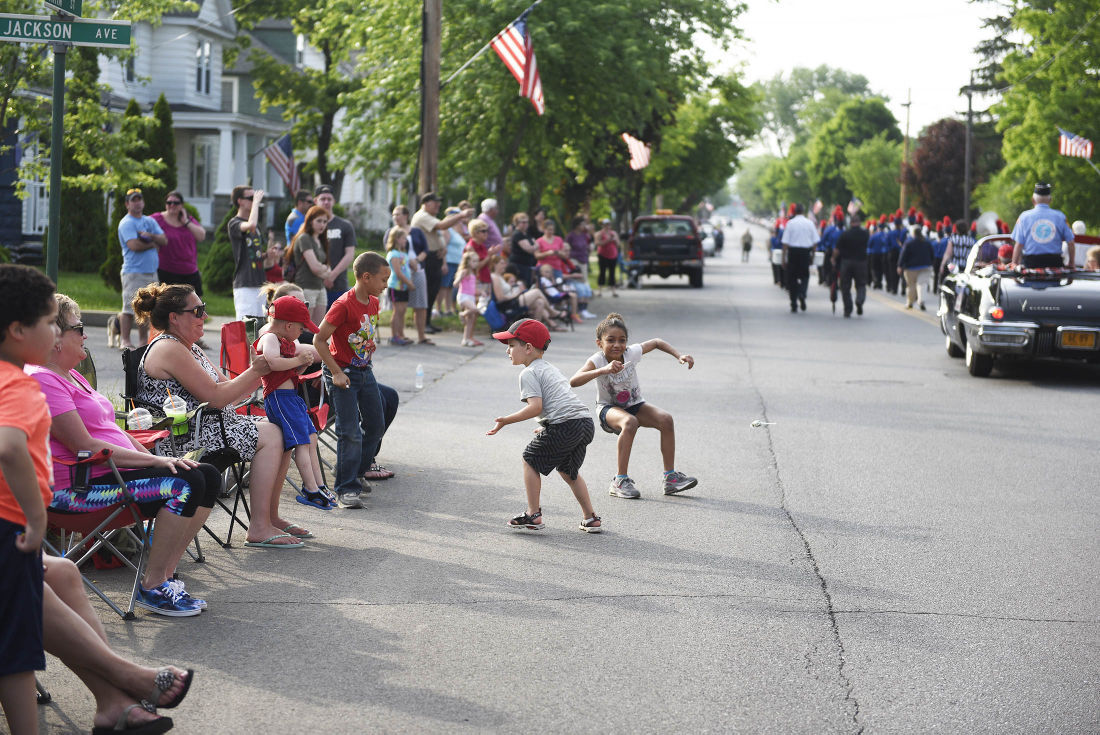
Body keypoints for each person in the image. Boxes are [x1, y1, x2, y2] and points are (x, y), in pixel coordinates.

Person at [28, 294, 219, 614]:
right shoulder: (43, 380)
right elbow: (85, 446)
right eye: (79, 327)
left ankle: (165, 576)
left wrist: (155, 455)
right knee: (182, 483)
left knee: (207, 475)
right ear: (55, 337)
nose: (85, 334)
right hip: (76, 491)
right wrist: (158, 461)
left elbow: (111, 433)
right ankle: (152, 585)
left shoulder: (70, 374)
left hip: (109, 473)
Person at [134, 284, 307, 549]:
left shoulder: (190, 347)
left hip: (212, 425)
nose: (205, 317)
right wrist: (256, 371)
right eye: (198, 311)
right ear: (174, 317)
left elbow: (230, 392)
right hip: (184, 437)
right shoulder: (169, 348)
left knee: (281, 427)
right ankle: (259, 526)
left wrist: (269, 372)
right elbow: (216, 397)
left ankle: (270, 517)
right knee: (273, 433)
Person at [0, 264, 57, 735]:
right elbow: (10, 446)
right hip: (11, 529)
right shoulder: (18, 385)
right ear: (19, 330)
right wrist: (37, 520)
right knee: (15, 653)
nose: (57, 331)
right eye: (52, 322)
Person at [486, 318, 602, 533]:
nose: (507, 351)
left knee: (530, 459)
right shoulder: (550, 368)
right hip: (584, 424)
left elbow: (535, 407)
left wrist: (505, 421)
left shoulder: (528, 373)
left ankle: (533, 514)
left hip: (566, 425)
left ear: (528, 347)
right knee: (569, 472)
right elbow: (559, 401)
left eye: (511, 345)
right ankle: (590, 517)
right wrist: (549, 426)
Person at [569, 312, 697, 500]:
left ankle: (670, 478)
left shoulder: (631, 353)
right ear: (599, 343)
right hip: (608, 409)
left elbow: (656, 342)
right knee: (630, 422)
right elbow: (574, 381)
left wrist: (679, 355)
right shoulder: (597, 360)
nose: (617, 345)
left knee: (666, 419)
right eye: (610, 340)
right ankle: (620, 481)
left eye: (622, 340)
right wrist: (603, 370)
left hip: (635, 404)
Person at [314, 252, 396, 508]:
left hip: (364, 369)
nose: (386, 285)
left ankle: (357, 473)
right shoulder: (342, 305)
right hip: (343, 373)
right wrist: (336, 372)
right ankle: (346, 489)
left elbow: (361, 334)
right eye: (383, 280)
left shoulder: (372, 302)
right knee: (349, 431)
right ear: (366, 277)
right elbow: (319, 340)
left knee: (375, 425)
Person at [254, 296, 332, 514]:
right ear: (288, 325)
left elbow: (286, 372)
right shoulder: (269, 338)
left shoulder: (286, 340)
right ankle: (310, 489)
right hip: (279, 400)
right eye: (300, 328)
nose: (301, 333)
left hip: (291, 398)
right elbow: (271, 362)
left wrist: (300, 366)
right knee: (300, 443)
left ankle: (318, 485)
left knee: (310, 438)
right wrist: (298, 360)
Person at [411, 192, 475, 333]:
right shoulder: (422, 216)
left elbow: (439, 234)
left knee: (432, 291)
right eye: (435, 202)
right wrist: (461, 215)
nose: (438, 205)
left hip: (434, 257)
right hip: (425, 259)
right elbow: (442, 226)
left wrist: (443, 249)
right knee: (426, 292)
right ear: (426, 203)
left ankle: (427, 322)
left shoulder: (430, 217)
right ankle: (422, 325)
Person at [118, 188, 167, 349]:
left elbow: (164, 240)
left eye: (139, 199)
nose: (137, 203)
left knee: (148, 308)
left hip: (152, 272)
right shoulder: (127, 223)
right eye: (133, 200)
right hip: (133, 272)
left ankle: (142, 341)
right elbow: (133, 245)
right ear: (127, 204)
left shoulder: (149, 221)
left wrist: (151, 236)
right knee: (128, 307)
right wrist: (153, 244)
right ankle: (124, 339)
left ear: (143, 202)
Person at [286, 204, 335, 328]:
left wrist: (323, 269)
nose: (322, 224)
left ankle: (313, 349)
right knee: (305, 328)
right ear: (310, 221)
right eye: (319, 221)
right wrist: (323, 269)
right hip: (306, 288)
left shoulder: (321, 240)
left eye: (325, 221)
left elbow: (327, 268)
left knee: (317, 329)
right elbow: (315, 267)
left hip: (320, 288)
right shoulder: (304, 238)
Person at [152, 190, 207, 299]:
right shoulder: (157, 219)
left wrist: (186, 221)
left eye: (176, 203)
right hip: (167, 270)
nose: (172, 205)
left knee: (196, 304)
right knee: (168, 304)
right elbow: (141, 228)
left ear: (181, 205)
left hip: (190, 270)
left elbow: (201, 236)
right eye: (169, 202)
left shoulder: (188, 219)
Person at [227, 185, 269, 320]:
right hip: (245, 283)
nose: (254, 200)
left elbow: (256, 255)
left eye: (255, 198)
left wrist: (268, 255)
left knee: (261, 326)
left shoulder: (256, 226)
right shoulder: (234, 223)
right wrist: (256, 203)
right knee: (247, 326)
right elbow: (250, 225)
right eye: (251, 198)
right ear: (240, 201)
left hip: (260, 283)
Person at [1011, 182, 1075, 268]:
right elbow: (1070, 243)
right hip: (1055, 265)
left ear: (1033, 200)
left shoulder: (1023, 217)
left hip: (1030, 264)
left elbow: (1019, 244)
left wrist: (1014, 263)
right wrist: (1071, 264)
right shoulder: (1060, 216)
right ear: (1050, 200)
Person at [314, 185, 358, 309]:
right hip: (314, 285)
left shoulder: (345, 225)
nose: (326, 202)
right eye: (323, 199)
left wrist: (332, 276)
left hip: (337, 285)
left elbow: (350, 255)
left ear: (334, 201)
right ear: (315, 201)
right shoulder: (309, 226)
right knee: (314, 326)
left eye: (329, 199)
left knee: (337, 326)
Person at [490, 259, 564, 329]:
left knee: (540, 302)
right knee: (537, 291)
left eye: (505, 263)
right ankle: (552, 312)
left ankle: (535, 329)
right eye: (502, 263)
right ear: (495, 264)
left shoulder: (501, 276)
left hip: (513, 300)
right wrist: (515, 295)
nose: (505, 265)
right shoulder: (495, 277)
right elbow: (500, 298)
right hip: (508, 304)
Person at [781, 203, 818, 312]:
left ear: (794, 212)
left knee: (792, 278)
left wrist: (784, 258)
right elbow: (815, 242)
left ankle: (793, 302)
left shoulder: (790, 223)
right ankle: (802, 293)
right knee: (805, 276)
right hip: (805, 252)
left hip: (793, 252)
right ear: (803, 211)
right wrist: (813, 255)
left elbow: (785, 243)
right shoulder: (810, 223)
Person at [832, 214, 870, 318]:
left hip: (846, 262)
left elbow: (837, 250)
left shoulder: (845, 234)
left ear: (851, 223)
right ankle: (859, 300)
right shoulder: (865, 234)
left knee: (845, 286)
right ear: (859, 222)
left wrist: (833, 259)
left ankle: (848, 309)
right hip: (861, 262)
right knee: (861, 284)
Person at [385, 227, 415, 346]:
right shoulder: (394, 254)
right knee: (397, 311)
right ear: (397, 239)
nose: (405, 241)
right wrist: (409, 283)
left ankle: (401, 334)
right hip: (396, 286)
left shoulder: (403, 253)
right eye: (403, 238)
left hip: (404, 287)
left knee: (402, 311)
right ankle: (393, 336)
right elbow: (398, 272)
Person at [437, 206, 468, 317]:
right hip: (449, 262)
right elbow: (443, 247)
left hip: (456, 263)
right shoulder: (447, 230)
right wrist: (444, 263)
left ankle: (448, 309)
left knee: (450, 287)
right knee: (443, 286)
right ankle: (439, 309)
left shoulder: (455, 230)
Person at [565, 216, 596, 318]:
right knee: (579, 285)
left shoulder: (584, 235)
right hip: (575, 261)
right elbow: (566, 248)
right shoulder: (571, 236)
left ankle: (584, 308)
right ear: (577, 225)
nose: (584, 226)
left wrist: (590, 246)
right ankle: (579, 309)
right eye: (582, 224)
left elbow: (590, 241)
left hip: (583, 261)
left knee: (585, 284)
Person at [897, 226, 934, 310]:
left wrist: (899, 265)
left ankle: (910, 302)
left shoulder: (909, 243)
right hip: (925, 267)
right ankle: (921, 300)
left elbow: (903, 255)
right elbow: (932, 254)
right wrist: (931, 263)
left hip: (911, 268)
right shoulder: (927, 242)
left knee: (911, 286)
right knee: (922, 284)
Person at [453, 250, 482, 347]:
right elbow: (456, 284)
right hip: (463, 296)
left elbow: (472, 290)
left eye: (477, 261)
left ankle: (466, 339)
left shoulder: (473, 273)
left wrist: (481, 293)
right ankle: (462, 314)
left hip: (471, 297)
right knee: (474, 309)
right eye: (474, 261)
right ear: (468, 261)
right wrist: (460, 277)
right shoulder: (464, 272)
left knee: (471, 318)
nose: (476, 263)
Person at [508, 211, 539, 287]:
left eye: (527, 222)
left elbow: (537, 245)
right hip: (518, 265)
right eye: (523, 222)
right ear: (517, 223)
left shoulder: (527, 234)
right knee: (522, 284)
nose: (526, 224)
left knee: (528, 284)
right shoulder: (517, 234)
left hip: (527, 265)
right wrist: (535, 246)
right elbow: (529, 249)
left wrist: (534, 246)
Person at [595, 219, 620, 297]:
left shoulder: (614, 233)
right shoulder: (599, 233)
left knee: (612, 273)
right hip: (603, 255)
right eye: (605, 225)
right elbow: (597, 243)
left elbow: (618, 245)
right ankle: (599, 290)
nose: (607, 226)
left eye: (608, 224)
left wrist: (615, 240)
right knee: (602, 272)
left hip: (613, 255)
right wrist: (608, 240)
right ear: (602, 225)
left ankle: (613, 291)